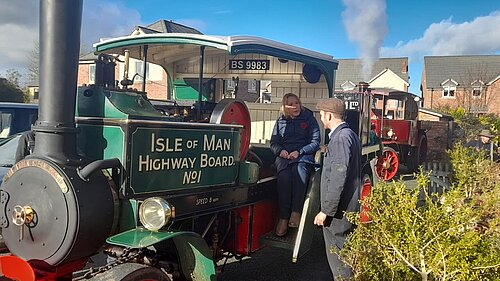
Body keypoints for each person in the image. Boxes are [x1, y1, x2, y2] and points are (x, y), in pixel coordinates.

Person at [314, 98, 361, 280]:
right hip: (347, 208)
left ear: (329, 115)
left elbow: (338, 178)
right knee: (346, 256)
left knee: (339, 260)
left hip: (339, 212)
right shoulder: (349, 135)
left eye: (321, 114)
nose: (321, 117)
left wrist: (326, 211)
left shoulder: (340, 139)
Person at [270, 93, 320, 236]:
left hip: (303, 156)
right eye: (291, 104)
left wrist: (300, 151)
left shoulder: (309, 119)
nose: (295, 106)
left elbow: (315, 141)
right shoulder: (280, 122)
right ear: (285, 107)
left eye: (297, 103)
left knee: (299, 172)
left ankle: (296, 212)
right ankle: (284, 217)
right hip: (285, 157)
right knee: (284, 178)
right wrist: (281, 151)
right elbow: (273, 143)